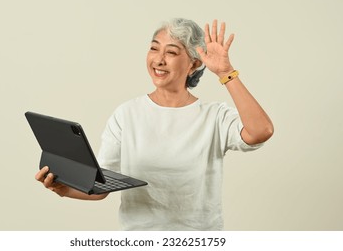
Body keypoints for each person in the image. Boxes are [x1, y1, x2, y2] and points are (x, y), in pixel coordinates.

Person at [35, 18, 274, 230]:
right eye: (153, 48)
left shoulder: (214, 116)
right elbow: (101, 187)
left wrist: (226, 72)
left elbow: (261, 131)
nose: (159, 60)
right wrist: (64, 190)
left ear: (194, 64)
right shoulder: (126, 115)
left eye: (171, 52)